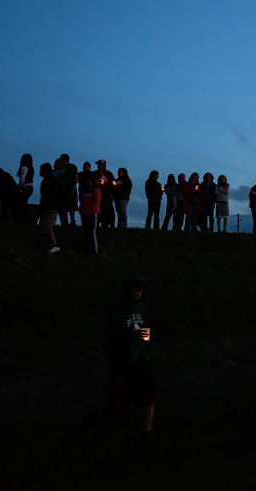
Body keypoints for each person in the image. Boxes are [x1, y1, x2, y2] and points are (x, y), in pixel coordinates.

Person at [82, 275, 158, 445]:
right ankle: (89, 421)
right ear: (127, 289)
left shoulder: (141, 307)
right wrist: (132, 336)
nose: (138, 292)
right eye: (135, 289)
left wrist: (144, 343)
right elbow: (112, 337)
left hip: (140, 361)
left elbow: (141, 330)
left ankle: (146, 437)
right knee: (115, 406)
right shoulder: (119, 309)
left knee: (150, 398)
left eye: (141, 289)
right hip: (125, 364)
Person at [38, 163, 60, 253]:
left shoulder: (53, 181)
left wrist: (52, 205)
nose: (39, 171)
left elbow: (56, 194)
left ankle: (55, 245)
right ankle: (49, 246)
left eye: (41, 170)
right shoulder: (45, 181)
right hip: (45, 207)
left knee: (47, 226)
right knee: (43, 226)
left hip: (51, 208)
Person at [79, 174, 101, 254]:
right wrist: (81, 210)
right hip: (84, 215)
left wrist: (90, 210)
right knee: (87, 233)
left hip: (92, 215)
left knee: (92, 233)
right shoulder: (85, 192)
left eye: (90, 181)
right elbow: (82, 202)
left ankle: (94, 252)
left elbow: (96, 202)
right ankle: (88, 250)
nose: (88, 183)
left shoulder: (96, 191)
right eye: (87, 181)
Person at [58, 154, 79, 227]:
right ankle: (65, 221)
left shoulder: (72, 167)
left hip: (70, 189)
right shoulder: (61, 169)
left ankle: (72, 221)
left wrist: (73, 188)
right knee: (64, 206)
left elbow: (76, 177)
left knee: (72, 206)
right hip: (63, 189)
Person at [95, 160, 116, 228]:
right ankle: (96, 224)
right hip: (97, 195)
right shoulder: (95, 173)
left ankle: (105, 225)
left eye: (100, 164)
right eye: (98, 164)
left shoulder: (109, 174)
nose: (98, 166)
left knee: (107, 211)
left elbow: (113, 183)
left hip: (107, 195)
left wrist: (113, 191)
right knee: (97, 210)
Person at [17, 154, 35, 224]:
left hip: (25, 187)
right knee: (23, 204)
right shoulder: (31, 168)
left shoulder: (24, 168)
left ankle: (25, 220)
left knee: (22, 205)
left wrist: (19, 186)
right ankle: (28, 219)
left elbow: (22, 179)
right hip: (30, 187)